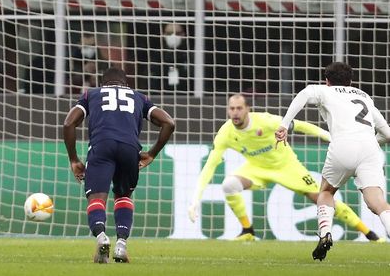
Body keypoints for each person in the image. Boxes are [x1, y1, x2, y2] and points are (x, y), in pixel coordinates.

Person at [188, 93, 382, 243]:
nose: (235, 112)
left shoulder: (266, 121)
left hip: (286, 166)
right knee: (229, 185)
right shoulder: (225, 133)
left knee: (321, 197)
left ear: (248, 109)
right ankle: (247, 231)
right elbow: (210, 166)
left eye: (239, 108)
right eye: (232, 109)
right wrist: (195, 199)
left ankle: (369, 233)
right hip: (256, 168)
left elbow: (301, 126)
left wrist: (329, 136)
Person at [276, 62, 390, 261]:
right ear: (350, 80)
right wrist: (370, 141)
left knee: (327, 192)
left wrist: (284, 124)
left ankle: (325, 233)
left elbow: (303, 94)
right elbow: (387, 134)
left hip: (342, 146)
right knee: (378, 203)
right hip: (370, 150)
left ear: (326, 81)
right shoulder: (364, 96)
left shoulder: (324, 91)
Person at [63, 67, 175, 263]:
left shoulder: (92, 94)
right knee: (123, 195)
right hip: (129, 148)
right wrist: (152, 153)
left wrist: (74, 159)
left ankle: (101, 237)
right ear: (126, 84)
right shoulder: (138, 97)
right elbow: (169, 123)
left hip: (102, 145)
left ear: (102, 84)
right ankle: (121, 245)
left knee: (97, 197)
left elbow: (68, 124)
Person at [150, 23, 190, 93]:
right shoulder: (156, 56)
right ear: (164, 35)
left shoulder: (191, 56)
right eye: (169, 33)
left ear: (183, 35)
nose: (173, 36)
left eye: (177, 33)